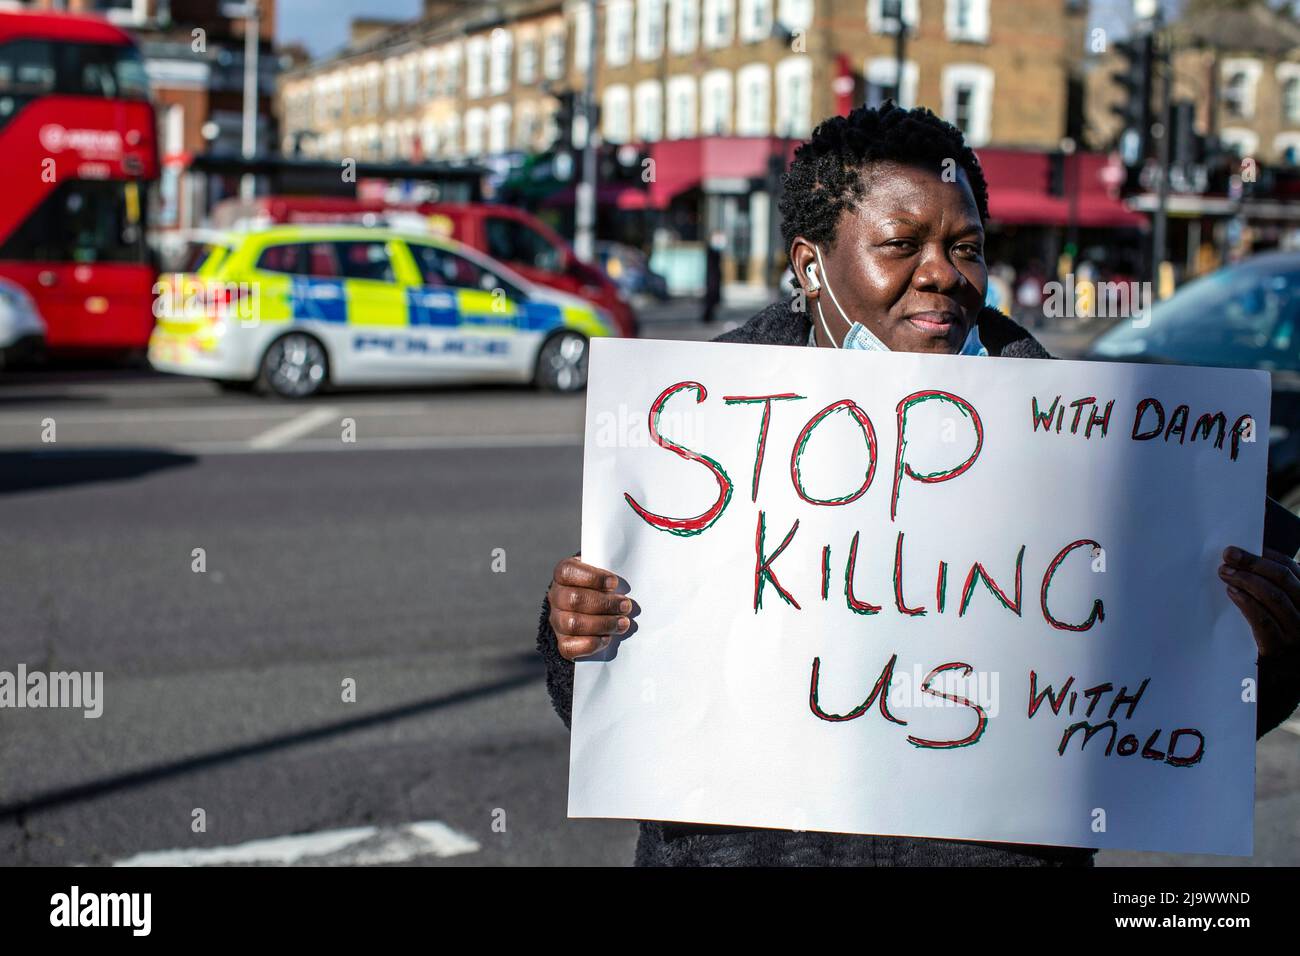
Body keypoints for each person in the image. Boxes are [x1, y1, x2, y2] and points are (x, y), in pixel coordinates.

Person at [537, 103, 1300, 867]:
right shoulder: (701, 431)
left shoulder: (1098, 451)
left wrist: (1263, 652)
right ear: (810, 267)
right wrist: (577, 634)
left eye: (964, 247)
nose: (940, 272)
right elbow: (618, 704)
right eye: (901, 245)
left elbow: (1171, 717)